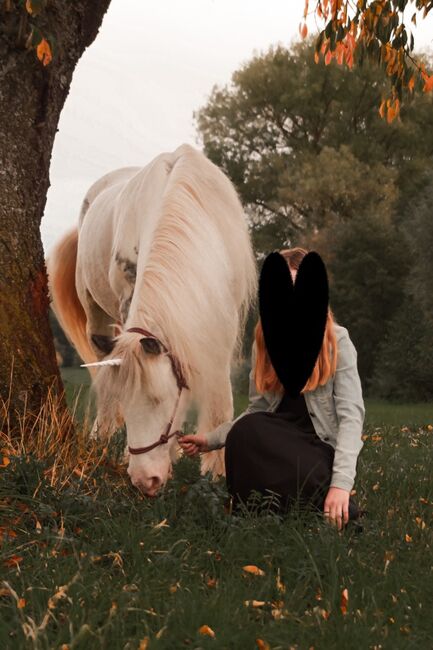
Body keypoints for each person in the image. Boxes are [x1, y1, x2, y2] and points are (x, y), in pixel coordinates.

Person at [179, 247, 365, 530]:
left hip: (318, 450)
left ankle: (334, 506)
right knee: (246, 432)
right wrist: (211, 440)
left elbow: (352, 419)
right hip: (278, 441)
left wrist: (341, 485)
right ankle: (259, 516)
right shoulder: (264, 343)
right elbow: (258, 410)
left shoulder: (338, 342)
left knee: (299, 470)